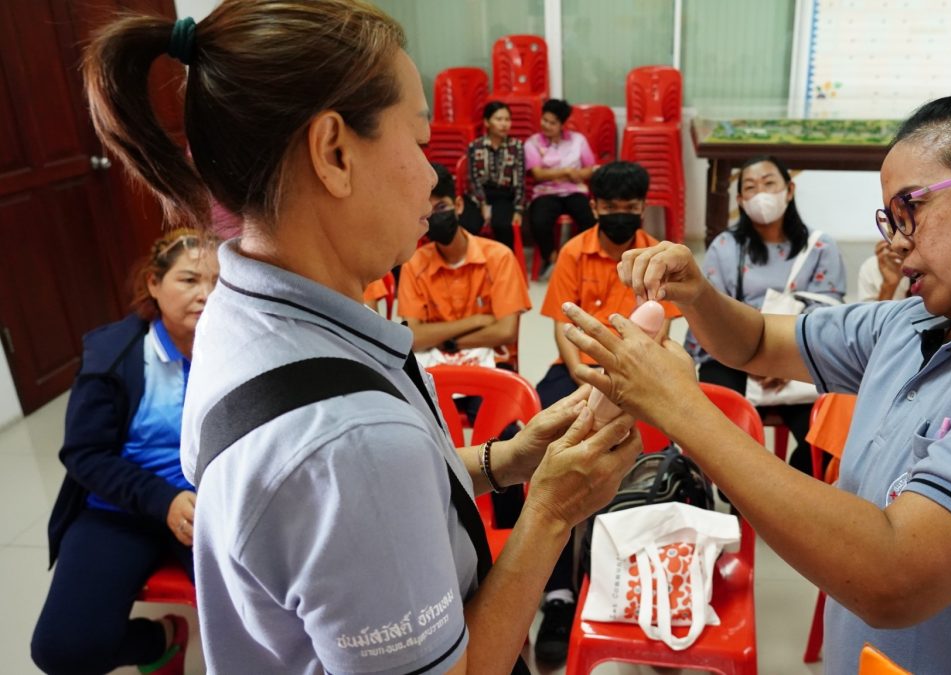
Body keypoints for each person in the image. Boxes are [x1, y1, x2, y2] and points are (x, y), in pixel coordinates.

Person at [82, 3, 642, 673]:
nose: (436, 180)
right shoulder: (350, 445)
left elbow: (368, 513)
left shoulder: (240, 308)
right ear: (335, 154)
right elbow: (361, 478)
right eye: (419, 141)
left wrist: (508, 459)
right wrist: (553, 508)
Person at [559, 80, 951, 673]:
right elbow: (760, 340)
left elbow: (894, 575)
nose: (894, 244)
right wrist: (698, 293)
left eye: (912, 209)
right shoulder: (913, 323)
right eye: (889, 218)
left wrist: (679, 406)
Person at [31, 229, 219, 675]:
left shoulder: (240, 346)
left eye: (217, 282)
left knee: (269, 621)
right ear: (154, 284)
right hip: (119, 507)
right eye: (189, 280)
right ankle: (160, 638)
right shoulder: (114, 357)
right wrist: (163, 501)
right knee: (61, 650)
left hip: (210, 509)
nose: (206, 295)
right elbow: (84, 455)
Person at [533, 160, 680, 665]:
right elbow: (561, 326)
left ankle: (632, 581)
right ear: (593, 207)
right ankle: (558, 594)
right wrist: (580, 371)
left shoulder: (657, 258)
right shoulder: (574, 251)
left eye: (630, 208)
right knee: (549, 443)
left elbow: (664, 332)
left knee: (648, 455)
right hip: (577, 370)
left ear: (643, 208)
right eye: (610, 207)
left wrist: (626, 378)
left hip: (636, 372)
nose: (620, 215)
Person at [689, 155, 845, 472]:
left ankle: (795, 491)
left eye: (769, 183)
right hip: (732, 354)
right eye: (750, 187)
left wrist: (783, 358)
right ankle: (744, 499)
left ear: (789, 190)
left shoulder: (819, 247)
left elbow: (827, 312)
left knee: (828, 439)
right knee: (723, 432)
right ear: (741, 200)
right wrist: (750, 357)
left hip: (797, 351)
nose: (761, 193)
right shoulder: (725, 246)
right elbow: (710, 312)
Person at [397, 162, 530, 368]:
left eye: (441, 207)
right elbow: (414, 337)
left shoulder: (499, 257)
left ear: (458, 205)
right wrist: (476, 321)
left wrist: (451, 342)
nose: (435, 217)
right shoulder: (414, 264)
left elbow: (505, 331)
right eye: (427, 212)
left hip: (493, 362)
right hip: (434, 367)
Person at [525, 98, 597, 278]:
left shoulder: (577, 140)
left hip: (574, 190)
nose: (547, 125)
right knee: (539, 221)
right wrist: (565, 171)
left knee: (589, 219)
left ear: (562, 124)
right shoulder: (532, 143)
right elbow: (537, 174)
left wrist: (578, 175)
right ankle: (552, 258)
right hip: (546, 192)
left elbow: (591, 168)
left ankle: (580, 258)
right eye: (545, 120)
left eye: (552, 122)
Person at [460, 101, 525, 251]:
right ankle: (471, 262)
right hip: (478, 195)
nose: (504, 124)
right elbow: (473, 179)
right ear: (487, 122)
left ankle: (504, 263)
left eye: (507, 119)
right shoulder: (475, 146)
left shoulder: (516, 146)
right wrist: (483, 204)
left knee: (502, 225)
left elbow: (520, 181)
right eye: (499, 119)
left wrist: (518, 210)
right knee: (468, 224)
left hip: (504, 195)